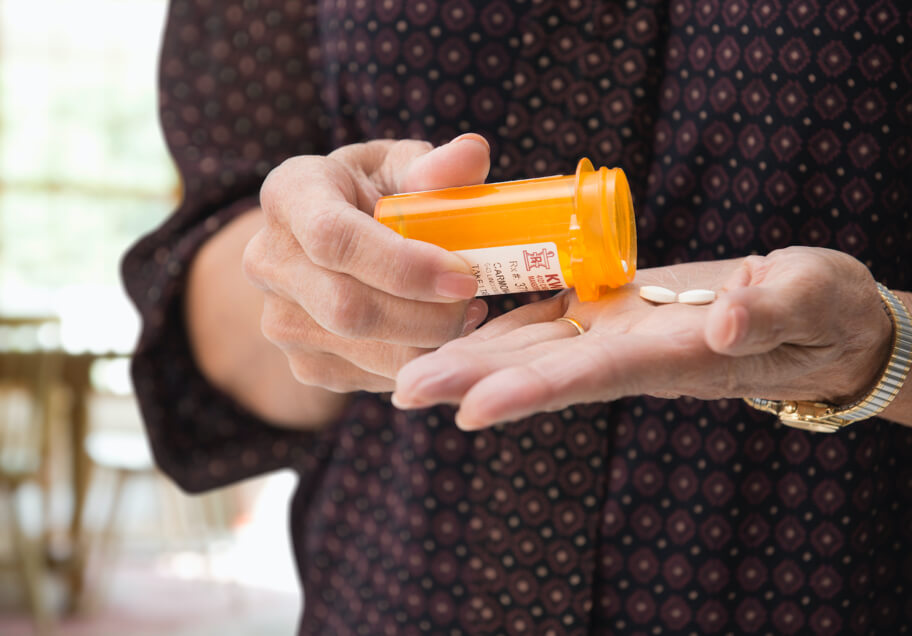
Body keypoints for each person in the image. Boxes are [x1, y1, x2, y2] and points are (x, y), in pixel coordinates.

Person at [122, 0, 912, 633]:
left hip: (826, 580)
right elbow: (215, 289)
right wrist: (322, 279)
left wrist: (883, 349)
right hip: (400, 589)